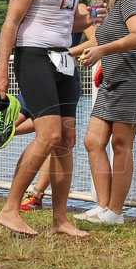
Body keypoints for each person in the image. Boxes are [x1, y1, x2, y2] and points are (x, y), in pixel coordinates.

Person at [0, 0, 106, 236]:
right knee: (49, 134)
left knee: (66, 139)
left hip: (62, 58)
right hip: (34, 56)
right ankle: (11, 208)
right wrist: (1, 73)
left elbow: (68, 23)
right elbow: (12, 21)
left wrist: (91, 18)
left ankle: (60, 219)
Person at [77, 0, 136, 225]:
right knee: (93, 141)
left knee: (120, 144)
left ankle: (115, 212)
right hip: (111, 81)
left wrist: (100, 50)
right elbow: (100, 41)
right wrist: (70, 53)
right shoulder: (105, 8)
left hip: (132, 79)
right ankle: (103, 206)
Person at [19, 25, 96, 211]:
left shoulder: (78, 9)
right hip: (39, 74)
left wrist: (68, 52)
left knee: (57, 139)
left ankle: (36, 195)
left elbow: (96, 40)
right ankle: (5, 130)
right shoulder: (38, 9)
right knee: (25, 124)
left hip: (65, 77)